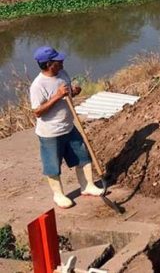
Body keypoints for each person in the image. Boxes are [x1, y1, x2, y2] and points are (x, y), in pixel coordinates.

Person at [29, 46, 104, 209]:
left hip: (69, 127)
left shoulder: (62, 74)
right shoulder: (37, 85)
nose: (62, 62)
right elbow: (37, 112)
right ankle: (58, 194)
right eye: (58, 61)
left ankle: (88, 186)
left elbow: (67, 94)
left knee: (83, 156)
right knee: (53, 165)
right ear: (49, 64)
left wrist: (73, 92)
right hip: (50, 133)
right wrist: (57, 96)